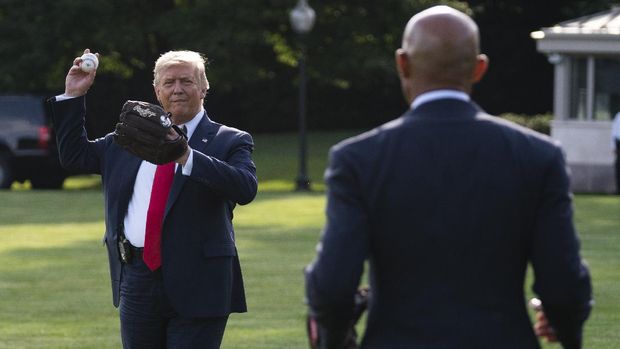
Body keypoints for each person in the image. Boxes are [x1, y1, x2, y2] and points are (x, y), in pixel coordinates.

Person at [304, 5, 592, 349]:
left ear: (403, 63)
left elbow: (333, 286)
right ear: (479, 68)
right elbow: (563, 286)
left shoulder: (359, 159)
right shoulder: (537, 155)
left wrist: (333, 341)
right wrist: (570, 334)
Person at [49, 49, 257, 348]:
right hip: (137, 278)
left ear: (204, 87)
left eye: (187, 81)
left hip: (199, 280)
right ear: (157, 90)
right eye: (169, 82)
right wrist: (73, 95)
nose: (177, 89)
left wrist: (185, 155)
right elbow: (74, 156)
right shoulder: (129, 138)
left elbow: (245, 188)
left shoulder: (231, 140)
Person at [611, 111, 620, 193]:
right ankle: (618, 189)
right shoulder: (618, 116)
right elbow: (614, 133)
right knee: (618, 166)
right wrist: (613, 146)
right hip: (619, 143)